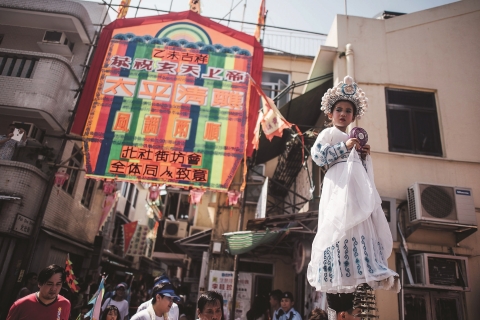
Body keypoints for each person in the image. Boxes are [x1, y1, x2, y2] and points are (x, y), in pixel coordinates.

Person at [307, 75, 400, 293]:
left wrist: (364, 156)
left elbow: (362, 174)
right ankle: (338, 271)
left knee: (359, 223)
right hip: (337, 186)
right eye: (339, 109)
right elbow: (318, 157)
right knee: (338, 225)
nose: (343, 114)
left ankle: (362, 269)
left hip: (355, 189)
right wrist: (344, 147)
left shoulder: (354, 138)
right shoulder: (328, 133)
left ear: (353, 117)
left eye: (348, 111)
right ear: (330, 114)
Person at [7, 264, 71, 320]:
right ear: (40, 284)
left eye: (58, 284)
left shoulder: (65, 304)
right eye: (49, 284)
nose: (54, 288)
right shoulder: (20, 305)